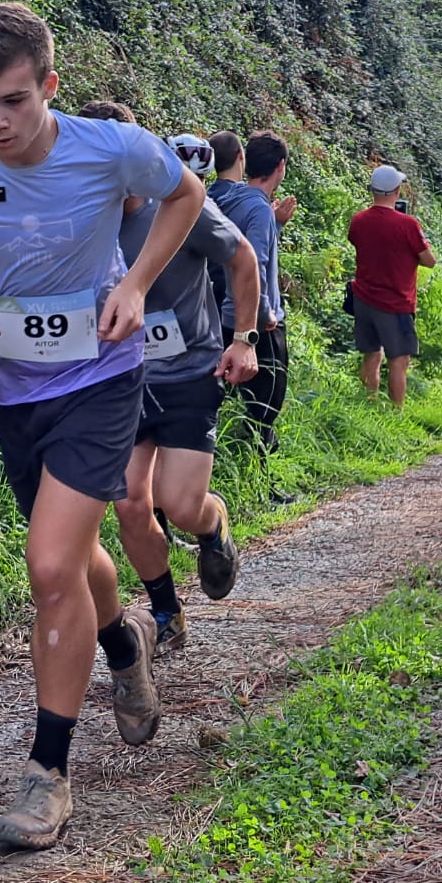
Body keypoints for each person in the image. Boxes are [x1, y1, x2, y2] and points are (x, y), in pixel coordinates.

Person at [0, 3, 205, 851]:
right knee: (72, 556)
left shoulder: (110, 147)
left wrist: (134, 285)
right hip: (12, 389)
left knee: (50, 561)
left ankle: (48, 774)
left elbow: (185, 194)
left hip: (101, 376)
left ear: (49, 87)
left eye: (14, 101)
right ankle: (122, 641)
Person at [93, 113, 262, 653]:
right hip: (120, 379)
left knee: (180, 504)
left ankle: (212, 527)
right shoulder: (77, 219)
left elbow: (242, 258)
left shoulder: (180, 204)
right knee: (131, 507)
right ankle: (166, 609)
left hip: (191, 371)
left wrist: (244, 337)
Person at [208, 130, 294, 476]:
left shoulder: (211, 196)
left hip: (217, 316)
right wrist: (265, 313)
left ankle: (222, 472)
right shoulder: (255, 207)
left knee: (219, 401)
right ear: (281, 166)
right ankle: (261, 480)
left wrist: (275, 224)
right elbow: (253, 261)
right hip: (256, 325)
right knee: (264, 407)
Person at [347, 164, 437, 405]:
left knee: (372, 355)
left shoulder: (358, 220)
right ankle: (396, 414)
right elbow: (429, 261)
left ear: (372, 190)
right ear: (397, 191)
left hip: (364, 299)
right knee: (399, 361)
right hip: (396, 302)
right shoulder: (408, 225)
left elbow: (357, 242)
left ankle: (369, 405)